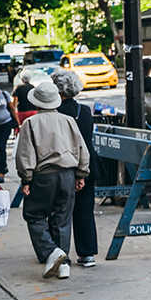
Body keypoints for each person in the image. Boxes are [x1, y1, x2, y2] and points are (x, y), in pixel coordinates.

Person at [15, 81, 90, 280]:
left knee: (34, 215)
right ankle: (63, 264)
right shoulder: (68, 120)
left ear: (37, 102)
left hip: (42, 176)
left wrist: (26, 179)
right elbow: (81, 148)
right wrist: (81, 173)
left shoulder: (30, 123)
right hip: (67, 174)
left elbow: (25, 155)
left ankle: (51, 251)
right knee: (62, 218)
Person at [52, 70, 99, 269]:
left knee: (59, 212)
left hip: (62, 167)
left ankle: (59, 253)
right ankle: (87, 253)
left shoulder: (53, 113)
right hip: (87, 165)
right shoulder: (85, 111)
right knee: (84, 210)